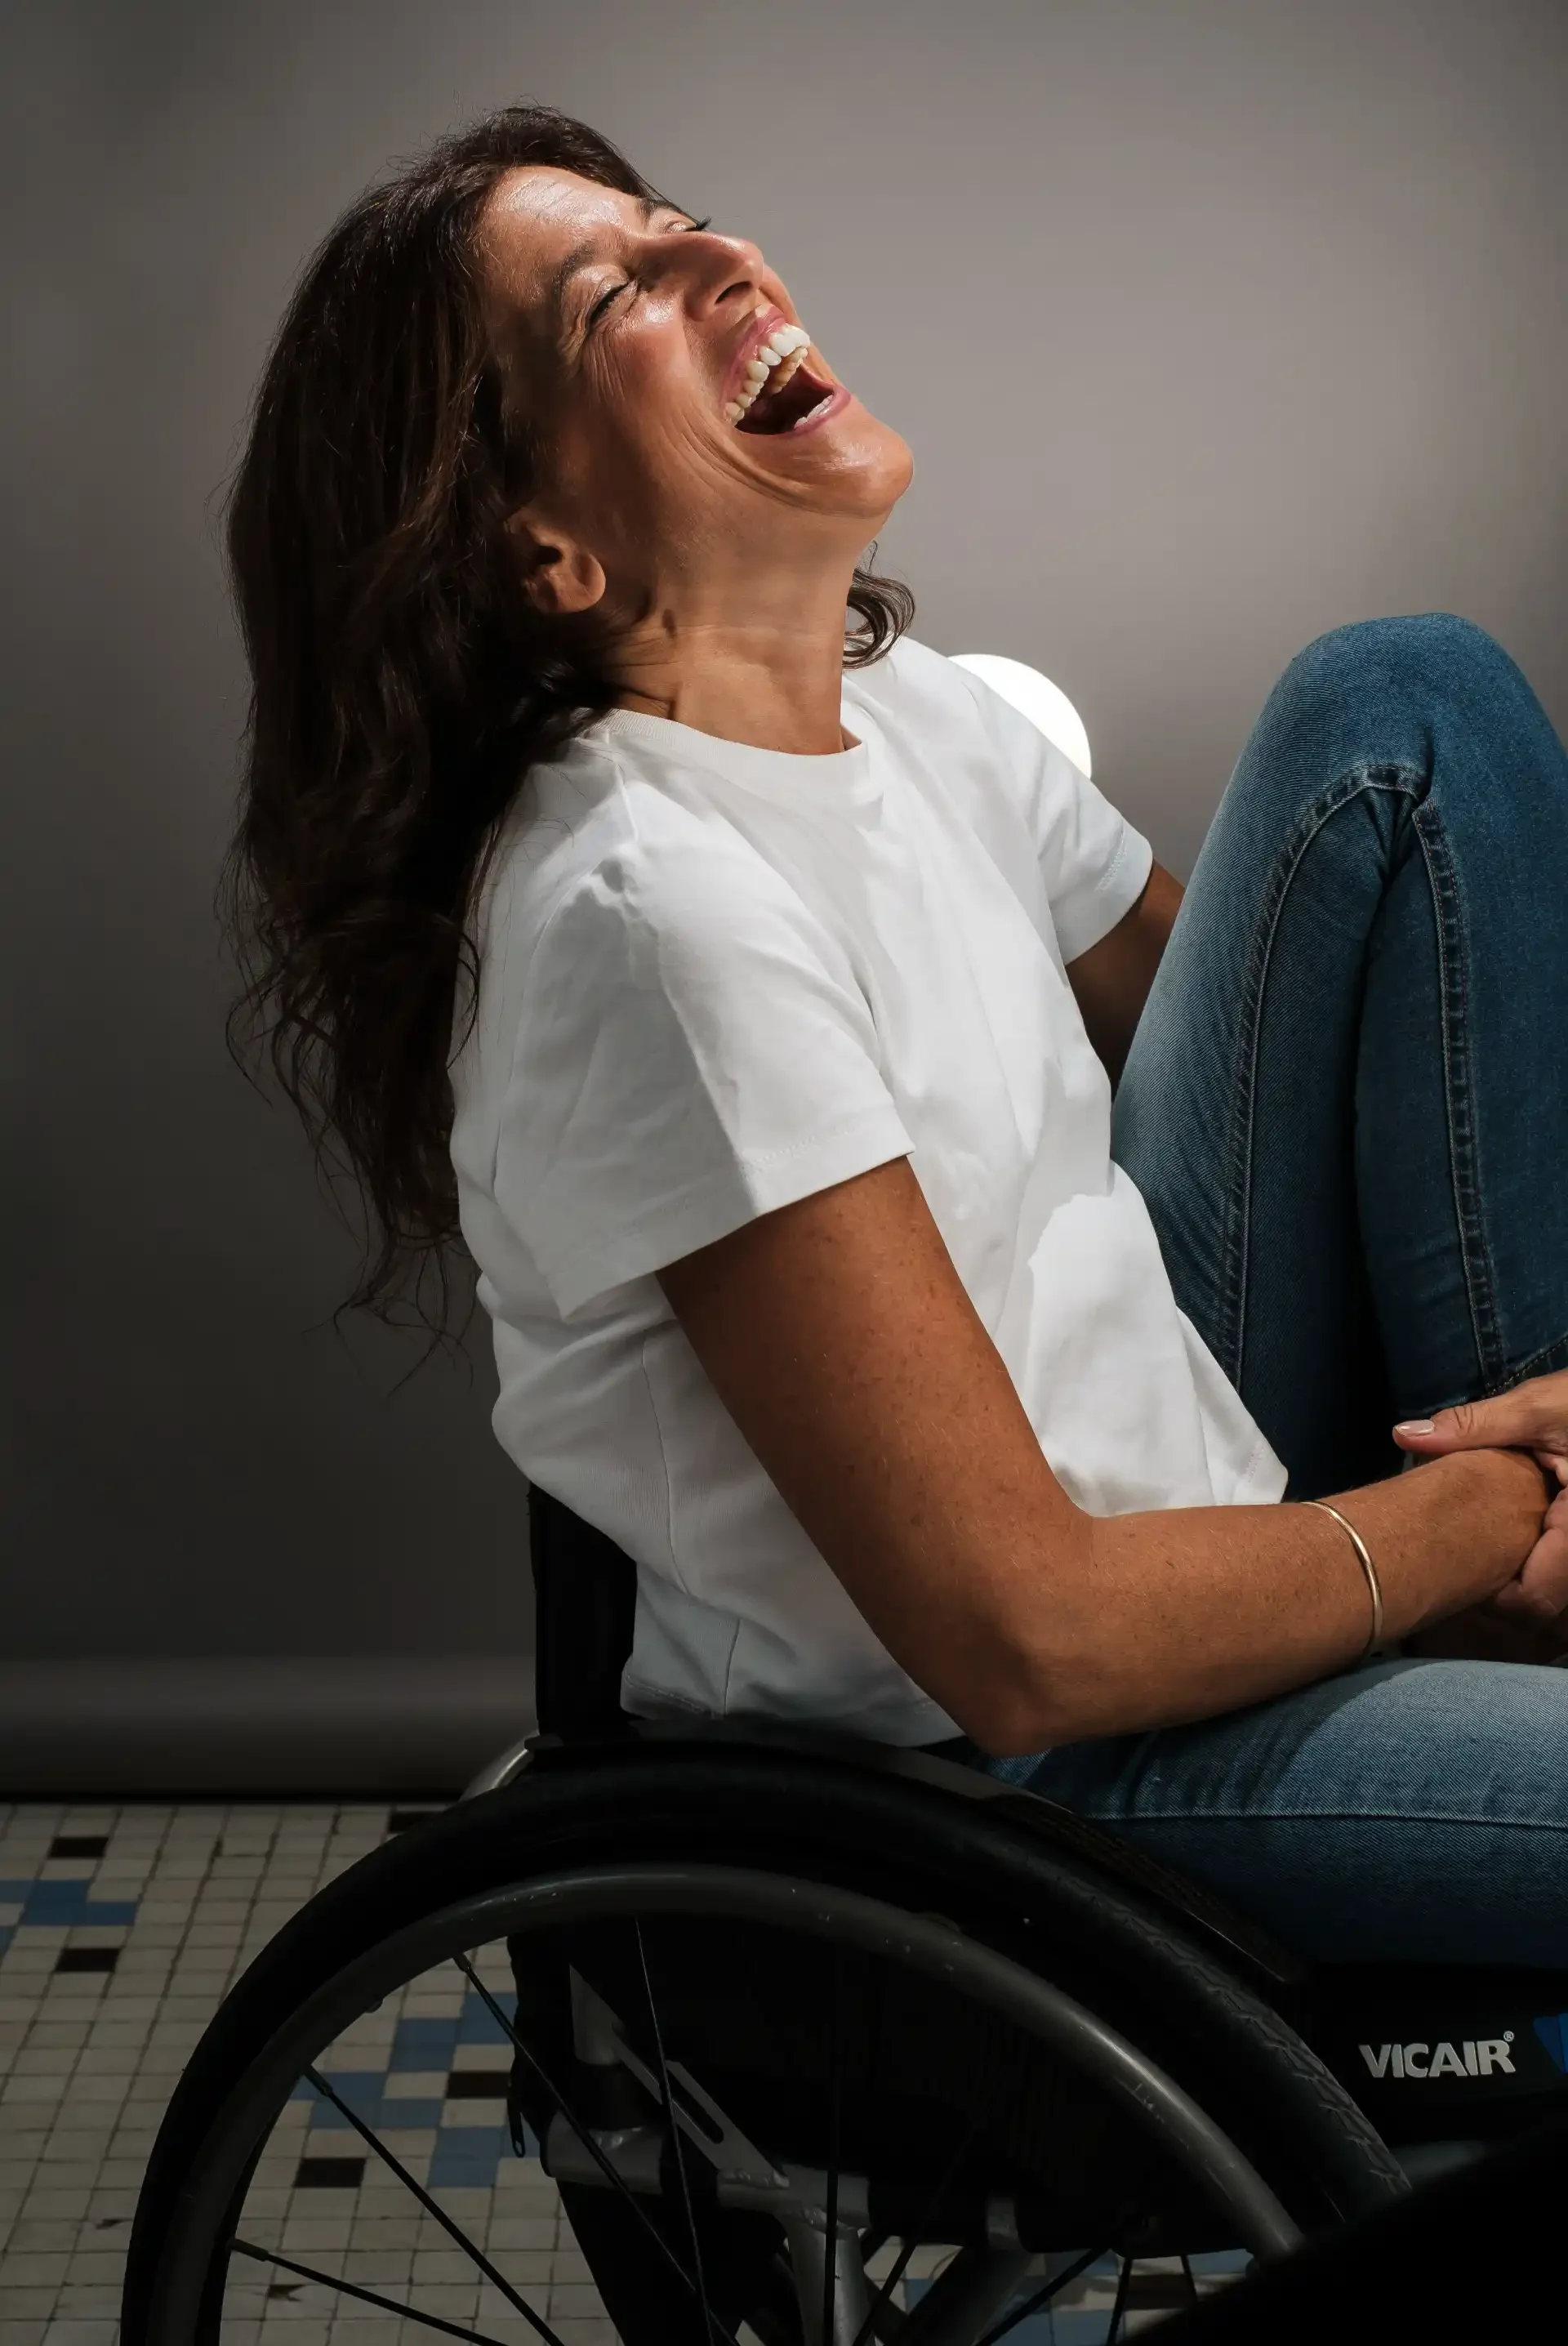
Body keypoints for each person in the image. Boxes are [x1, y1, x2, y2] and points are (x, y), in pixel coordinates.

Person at [218, 103, 1568, 1969]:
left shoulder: (905, 703)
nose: (725, 260)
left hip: (1195, 1480)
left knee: (1399, 705)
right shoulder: (651, 912)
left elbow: (1311, 1034)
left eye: (686, 221)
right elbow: (1028, 1632)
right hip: (1028, 1764)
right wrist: (1481, 1514)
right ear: (540, 552)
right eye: (623, 288)